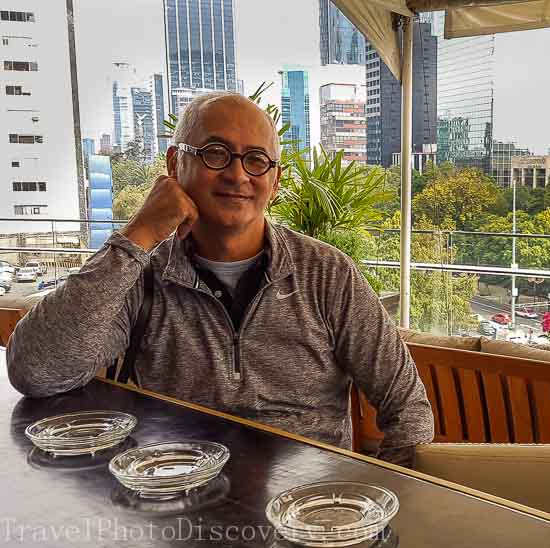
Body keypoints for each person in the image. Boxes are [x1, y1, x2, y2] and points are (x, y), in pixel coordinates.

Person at [6, 92, 433, 466]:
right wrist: (139, 235)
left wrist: (375, 504)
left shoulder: (326, 274)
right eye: (214, 152)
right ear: (175, 164)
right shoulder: (142, 275)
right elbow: (36, 371)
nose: (237, 174)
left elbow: (408, 409)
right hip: (175, 499)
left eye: (256, 160)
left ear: (275, 180)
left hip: (304, 513)